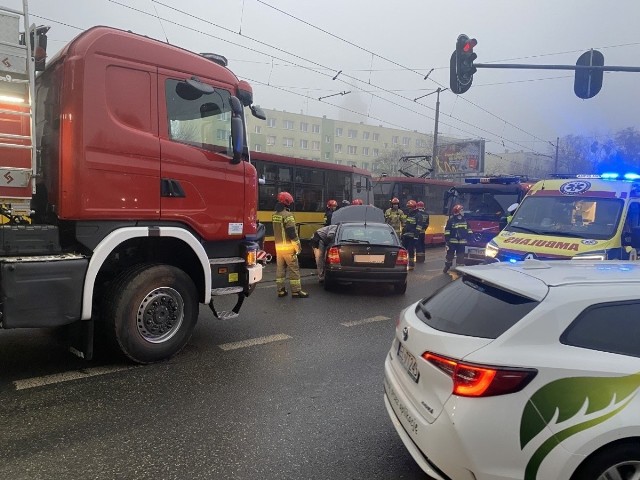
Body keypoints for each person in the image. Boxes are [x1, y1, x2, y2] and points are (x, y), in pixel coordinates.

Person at [272, 191, 309, 298]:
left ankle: (281, 290)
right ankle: (296, 291)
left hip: (278, 248)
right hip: (288, 248)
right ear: (287, 202)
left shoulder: (275, 215)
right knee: (294, 268)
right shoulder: (288, 215)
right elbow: (292, 233)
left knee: (280, 269)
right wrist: (298, 246)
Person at [443, 204, 473, 274]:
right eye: (461, 210)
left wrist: (470, 238)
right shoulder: (451, 220)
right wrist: (447, 241)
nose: (463, 212)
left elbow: (469, 230)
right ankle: (447, 266)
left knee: (460, 257)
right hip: (452, 242)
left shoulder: (465, 220)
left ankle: (459, 270)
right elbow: (447, 231)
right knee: (449, 256)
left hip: (462, 243)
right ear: (458, 211)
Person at [401, 200, 422, 270]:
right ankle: (402, 263)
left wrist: (416, 236)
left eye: (410, 207)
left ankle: (411, 265)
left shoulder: (418, 215)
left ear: (414, 207)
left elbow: (419, 227)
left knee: (410, 250)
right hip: (406, 235)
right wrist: (403, 233)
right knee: (403, 250)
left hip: (412, 236)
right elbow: (406, 225)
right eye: (408, 207)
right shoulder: (409, 214)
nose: (409, 209)